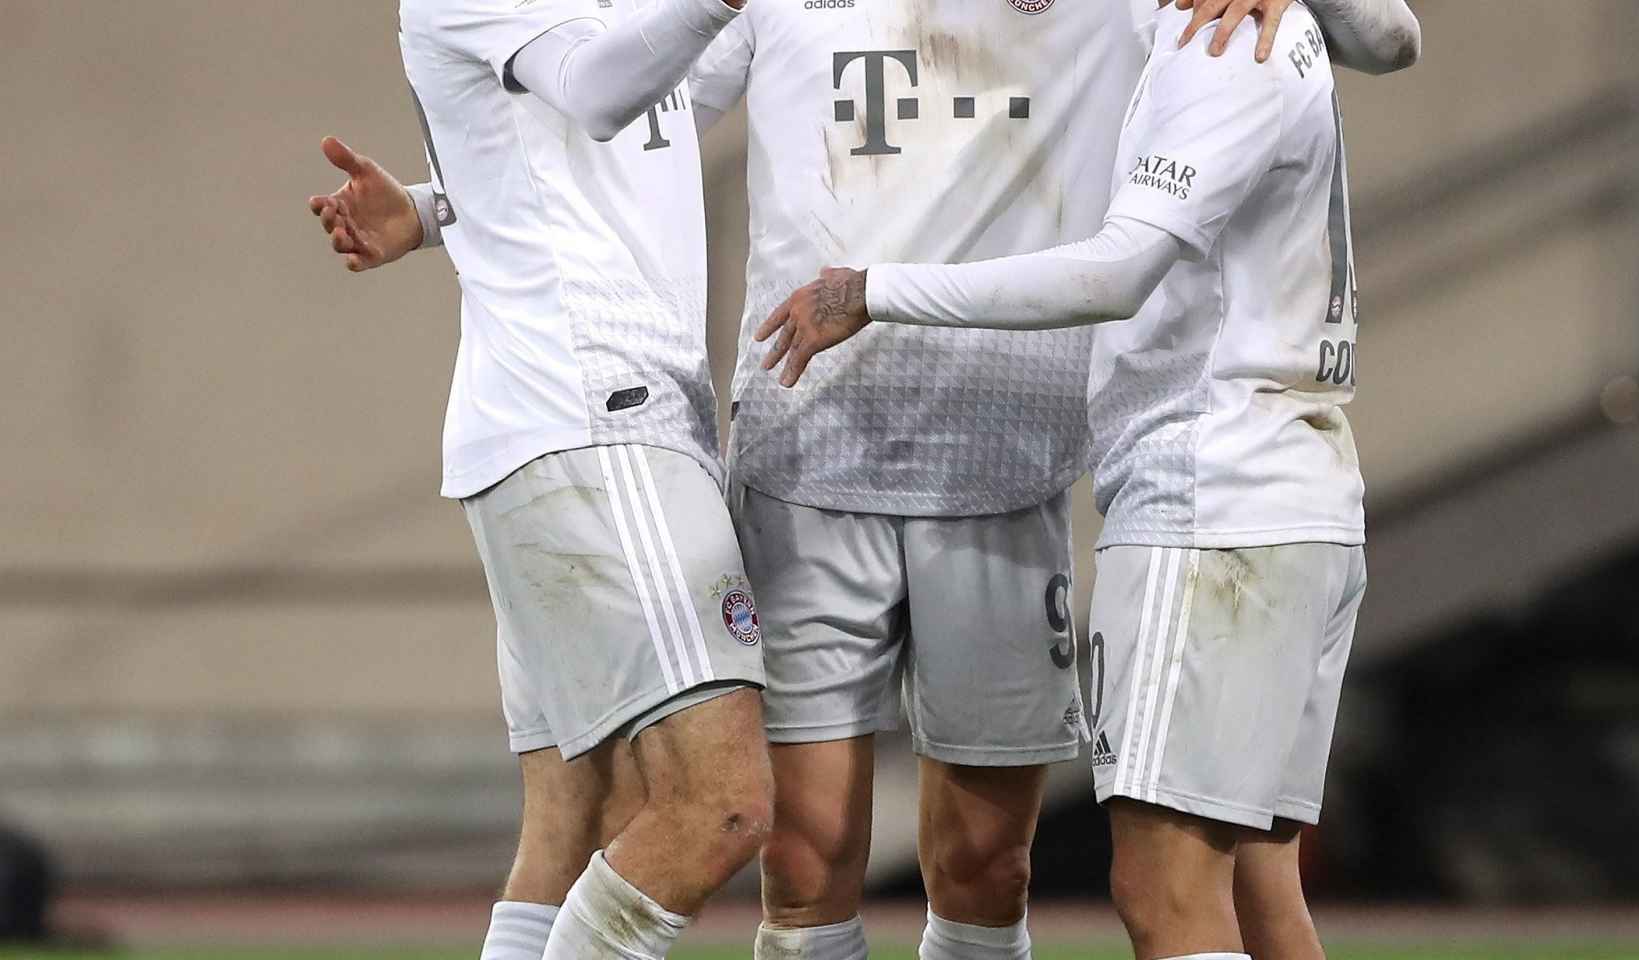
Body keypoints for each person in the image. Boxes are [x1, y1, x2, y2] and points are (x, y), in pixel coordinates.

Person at [317, 0, 1417, 956]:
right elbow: (628, 133)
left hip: (1002, 459)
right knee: (798, 862)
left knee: (986, 867)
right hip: (808, 450)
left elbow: (1386, 36)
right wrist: (430, 209)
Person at [757, 3, 1408, 959]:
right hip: (1299, 488)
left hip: (1209, 496)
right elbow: (1395, 37)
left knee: (1166, 887)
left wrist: (872, 290)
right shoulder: (1250, 22)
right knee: (1264, 887)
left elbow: (1117, 274)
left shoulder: (1211, 43)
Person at [307, 1, 774, 958]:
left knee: (582, 813)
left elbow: (666, 96)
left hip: (578, 427)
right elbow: (599, 89)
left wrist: (438, 207)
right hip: (590, 419)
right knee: (719, 806)